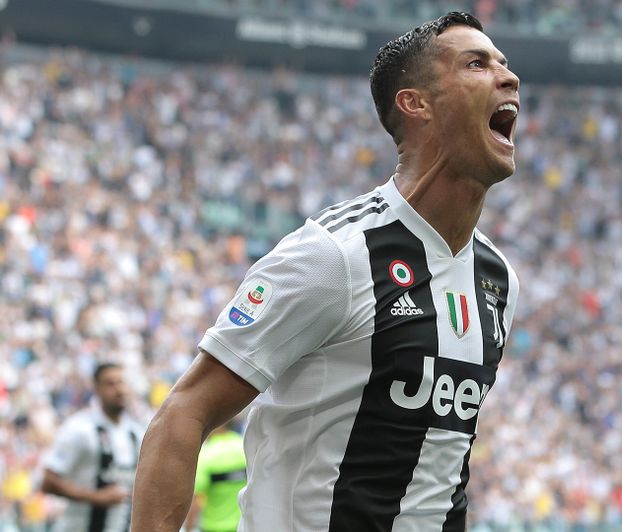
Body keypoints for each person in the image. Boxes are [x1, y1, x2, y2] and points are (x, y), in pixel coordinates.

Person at [131, 11, 521, 531]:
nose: (508, 76)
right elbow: (184, 411)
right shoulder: (334, 254)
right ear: (416, 104)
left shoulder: (496, 279)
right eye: (476, 63)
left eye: (504, 63)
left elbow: (440, 472)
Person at [41, 363, 144, 532]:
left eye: (121, 382)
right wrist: (96, 497)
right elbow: (48, 482)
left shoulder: (136, 433)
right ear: (97, 389)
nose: (119, 389)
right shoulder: (79, 428)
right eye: (110, 384)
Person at [185, 424, 247, 532]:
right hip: (242, 526)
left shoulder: (206, 454)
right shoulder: (244, 446)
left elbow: (194, 500)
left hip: (213, 527)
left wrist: (188, 528)